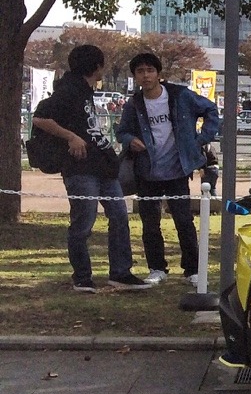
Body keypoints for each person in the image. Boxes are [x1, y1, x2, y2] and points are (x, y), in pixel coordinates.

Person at [32, 45, 152, 292]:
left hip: (103, 165)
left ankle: (120, 273)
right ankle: (82, 277)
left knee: (119, 216)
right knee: (83, 222)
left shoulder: (85, 90)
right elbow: (39, 118)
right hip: (79, 168)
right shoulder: (69, 90)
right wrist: (70, 137)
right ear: (96, 66)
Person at [116, 52, 220, 287]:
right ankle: (156, 268)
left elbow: (211, 110)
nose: (145, 75)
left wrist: (201, 139)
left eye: (150, 70)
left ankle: (192, 270)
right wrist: (130, 139)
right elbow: (121, 131)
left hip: (177, 170)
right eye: (140, 71)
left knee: (184, 221)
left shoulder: (180, 95)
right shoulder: (134, 104)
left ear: (158, 73)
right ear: (135, 76)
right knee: (150, 223)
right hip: (147, 171)